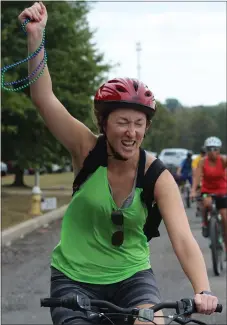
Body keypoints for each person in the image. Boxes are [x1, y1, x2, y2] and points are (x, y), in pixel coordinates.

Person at [19, 2, 219, 324]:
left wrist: (203, 289)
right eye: (122, 121)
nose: (131, 132)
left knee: (152, 321)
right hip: (74, 279)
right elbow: (45, 99)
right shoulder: (86, 150)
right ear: (104, 123)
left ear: (147, 128)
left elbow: (182, 237)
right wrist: (35, 37)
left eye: (139, 124)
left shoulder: (156, 175)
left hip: (132, 279)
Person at [191, 137, 227, 252]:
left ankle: (225, 244)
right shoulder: (202, 161)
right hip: (207, 190)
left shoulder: (223, 160)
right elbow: (197, 177)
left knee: (225, 218)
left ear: (219, 150)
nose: (212, 151)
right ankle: (205, 224)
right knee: (206, 204)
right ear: (206, 150)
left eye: (215, 149)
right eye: (210, 149)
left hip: (222, 190)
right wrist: (193, 190)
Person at [192, 147, 206, 217]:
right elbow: (194, 169)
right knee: (199, 192)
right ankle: (198, 206)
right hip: (199, 177)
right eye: (203, 153)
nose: (204, 155)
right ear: (201, 153)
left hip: (207, 178)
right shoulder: (197, 159)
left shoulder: (209, 159)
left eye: (205, 153)